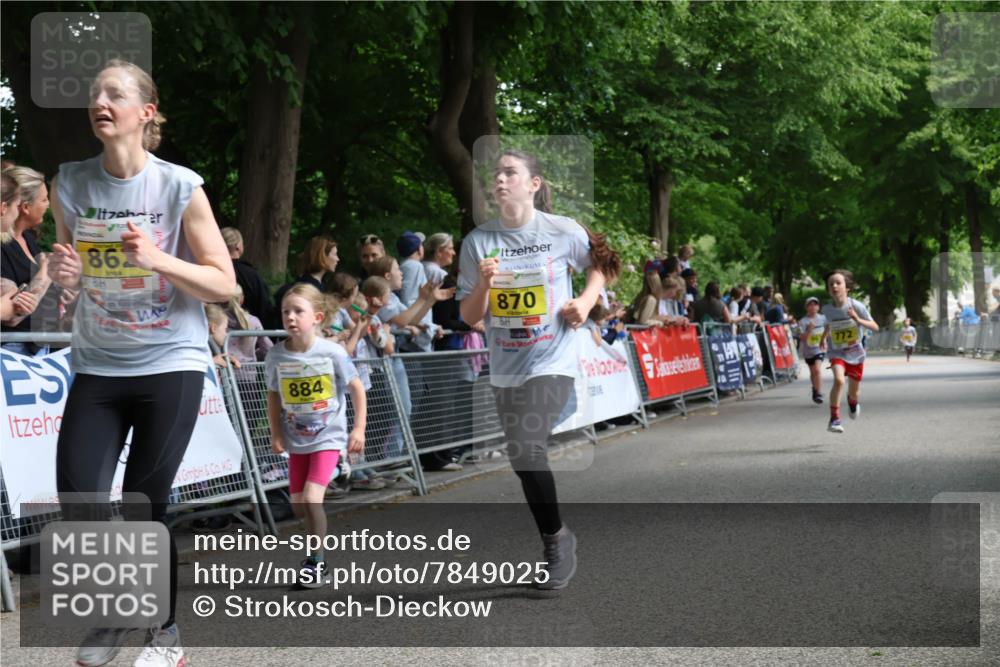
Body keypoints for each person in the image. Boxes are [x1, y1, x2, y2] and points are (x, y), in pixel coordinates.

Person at [46, 59, 236, 667]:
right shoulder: (71, 182)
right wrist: (67, 275)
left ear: (145, 112)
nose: (100, 102)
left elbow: (224, 283)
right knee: (79, 497)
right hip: (99, 362)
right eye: (94, 94)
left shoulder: (178, 186)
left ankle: (163, 634)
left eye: (115, 94)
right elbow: (74, 268)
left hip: (170, 362)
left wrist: (159, 259)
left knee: (143, 504)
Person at [457, 149, 621, 590]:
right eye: (496, 173)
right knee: (521, 456)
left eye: (510, 172)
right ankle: (559, 534)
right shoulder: (478, 242)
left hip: (554, 359)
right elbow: (469, 315)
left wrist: (585, 301)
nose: (500, 179)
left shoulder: (561, 231)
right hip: (507, 365)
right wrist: (484, 284)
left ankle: (554, 545)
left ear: (534, 184)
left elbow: (604, 265)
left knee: (527, 447)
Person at [265, 284, 366, 586]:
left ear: (317, 317)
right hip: (297, 439)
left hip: (328, 436)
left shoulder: (332, 352)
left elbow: (357, 388)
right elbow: (273, 395)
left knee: (311, 500)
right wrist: (276, 433)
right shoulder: (276, 355)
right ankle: (315, 551)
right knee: (298, 506)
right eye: (286, 311)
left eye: (298, 311)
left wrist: (358, 428)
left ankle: (316, 563)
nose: (290, 317)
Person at [1, 166, 54, 354]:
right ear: (24, 207)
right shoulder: (3, 246)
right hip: (13, 349)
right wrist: (46, 273)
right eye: (44, 199)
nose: (48, 204)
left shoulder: (28, 238)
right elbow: (14, 313)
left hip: (36, 347)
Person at [821, 269, 879, 433]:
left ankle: (852, 402)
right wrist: (823, 338)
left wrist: (857, 319)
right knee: (839, 380)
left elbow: (875, 326)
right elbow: (829, 324)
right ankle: (834, 419)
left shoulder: (856, 306)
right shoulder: (827, 309)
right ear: (828, 289)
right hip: (836, 352)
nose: (834, 286)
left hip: (855, 353)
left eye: (838, 283)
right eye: (831, 284)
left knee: (854, 392)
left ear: (847, 288)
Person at [272, 236, 339, 325]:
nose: (337, 259)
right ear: (322, 256)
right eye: (334, 254)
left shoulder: (321, 284)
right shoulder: (307, 287)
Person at [219, 226, 274, 328]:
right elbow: (264, 307)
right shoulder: (251, 275)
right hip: (248, 330)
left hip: (214, 329)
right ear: (238, 247)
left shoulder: (213, 271)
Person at [798, 296, 827, 404]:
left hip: (819, 349)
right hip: (808, 350)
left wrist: (824, 339)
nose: (813, 307)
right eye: (810, 305)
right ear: (806, 307)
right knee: (813, 371)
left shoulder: (823, 318)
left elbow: (829, 329)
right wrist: (809, 330)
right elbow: (802, 338)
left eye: (815, 304)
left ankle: (819, 393)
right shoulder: (803, 322)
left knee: (817, 370)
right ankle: (815, 388)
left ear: (818, 307)